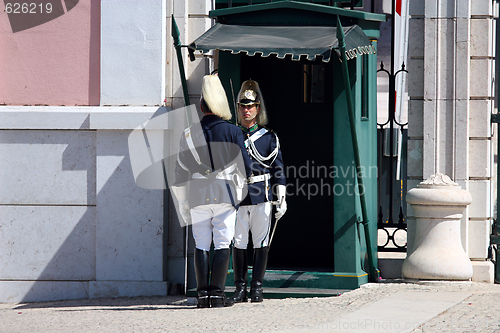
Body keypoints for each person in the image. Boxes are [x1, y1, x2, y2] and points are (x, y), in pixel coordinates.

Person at [172, 75, 252, 308]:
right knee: (222, 243)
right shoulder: (233, 132)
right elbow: (247, 167)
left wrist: (183, 202)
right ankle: (217, 296)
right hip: (225, 193)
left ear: (201, 106)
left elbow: (179, 173)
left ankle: (202, 296)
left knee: (201, 244)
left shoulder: (188, 134)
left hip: (197, 194)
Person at [232, 79, 287, 303]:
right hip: (237, 196)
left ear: (257, 108)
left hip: (261, 194)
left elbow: (278, 169)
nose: (246, 110)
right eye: (243, 106)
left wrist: (281, 197)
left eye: (250, 106)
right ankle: (239, 288)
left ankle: (257, 287)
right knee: (239, 242)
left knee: (261, 242)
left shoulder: (268, 138)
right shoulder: (232, 134)